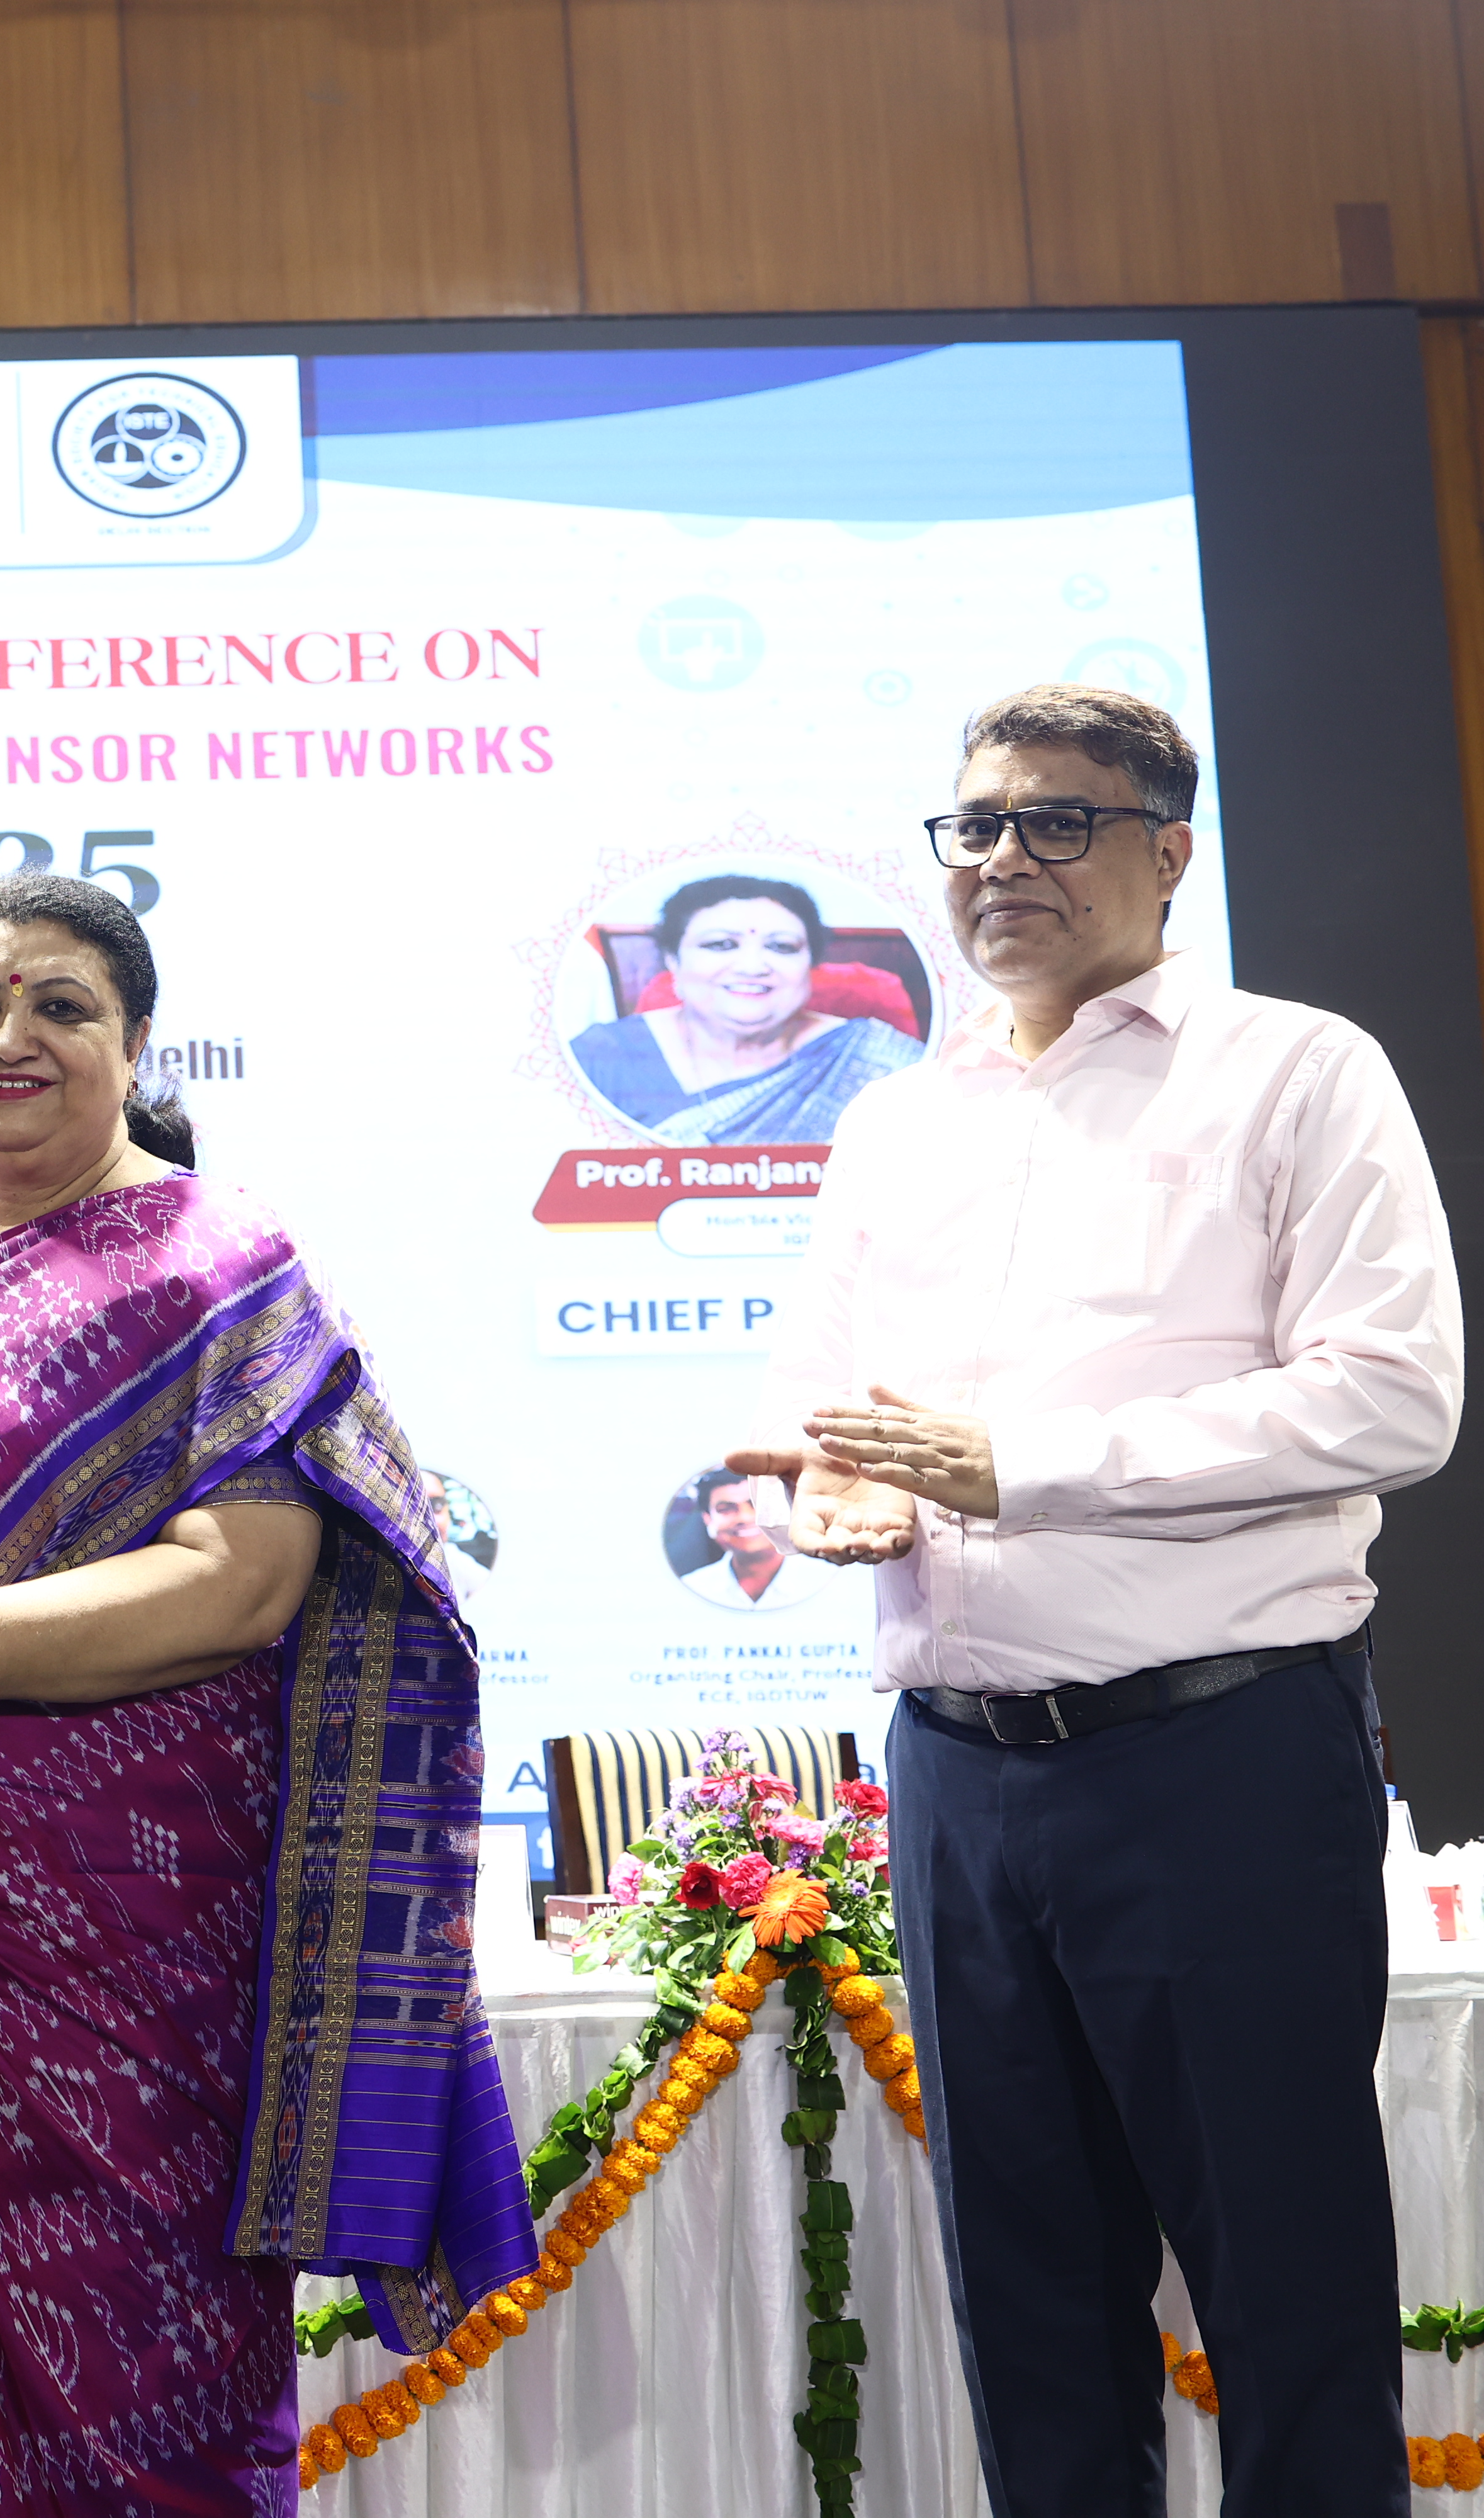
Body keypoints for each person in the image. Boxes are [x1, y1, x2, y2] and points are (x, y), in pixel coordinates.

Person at [0, 871, 534, 2516]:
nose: (14, 1038)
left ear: (133, 1043)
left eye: (61, 1006)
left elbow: (242, 1584)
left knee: (130, 2393)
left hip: (114, 1955)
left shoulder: (219, 1268)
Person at [727, 685, 1461, 2515]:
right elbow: (817, 1406)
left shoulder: (1290, 1070)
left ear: (1164, 850)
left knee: (1283, 2299)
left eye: (1052, 822)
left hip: (1211, 1762)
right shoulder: (895, 1119)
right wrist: (825, 1492)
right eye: (968, 825)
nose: (997, 861)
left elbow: (1391, 1396)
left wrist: (1020, 1469)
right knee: (1029, 2310)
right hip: (956, 1777)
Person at [568, 874, 923, 1144]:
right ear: (673, 961)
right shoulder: (603, 1057)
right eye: (721, 945)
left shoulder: (878, 1061)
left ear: (811, 965)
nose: (752, 967)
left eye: (782, 948)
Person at [673, 1464, 811, 1610]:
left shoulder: (823, 1579)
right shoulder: (691, 1587)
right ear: (708, 1519)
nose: (745, 1517)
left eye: (757, 1504)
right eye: (726, 1509)